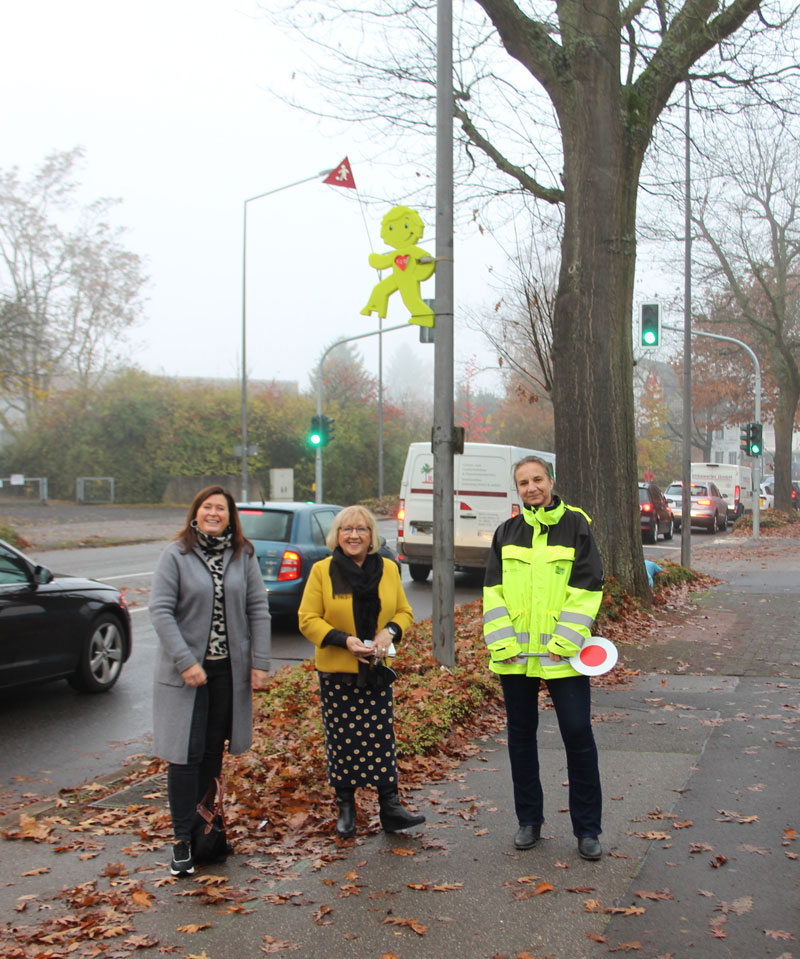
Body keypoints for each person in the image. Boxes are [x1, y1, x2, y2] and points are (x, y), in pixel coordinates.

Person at [483, 456, 605, 860]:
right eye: (523, 482)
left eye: (537, 479)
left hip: (563, 656)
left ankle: (587, 830)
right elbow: (492, 594)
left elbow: (587, 587)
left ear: (551, 480)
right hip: (516, 658)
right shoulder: (506, 533)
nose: (532, 487)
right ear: (516, 489)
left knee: (577, 735)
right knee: (521, 738)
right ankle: (528, 821)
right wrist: (502, 644)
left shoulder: (576, 525)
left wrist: (566, 641)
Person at [150, 485, 271, 876]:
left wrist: (260, 662)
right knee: (184, 756)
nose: (214, 513)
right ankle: (182, 841)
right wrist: (186, 661)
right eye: (207, 507)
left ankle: (207, 830)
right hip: (187, 675)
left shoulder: (242, 555)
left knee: (212, 754)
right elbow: (160, 611)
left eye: (221, 508)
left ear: (230, 515)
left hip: (226, 674)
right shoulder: (176, 555)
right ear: (195, 513)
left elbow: (258, 610)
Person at [298, 505, 425, 839]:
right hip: (337, 670)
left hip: (376, 671)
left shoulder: (388, 569)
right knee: (342, 742)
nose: (354, 535)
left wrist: (390, 632)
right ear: (336, 536)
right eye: (346, 530)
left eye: (361, 529)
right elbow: (308, 619)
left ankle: (390, 807)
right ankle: (346, 808)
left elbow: (404, 610)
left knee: (381, 739)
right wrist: (344, 641)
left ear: (371, 535)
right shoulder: (323, 571)